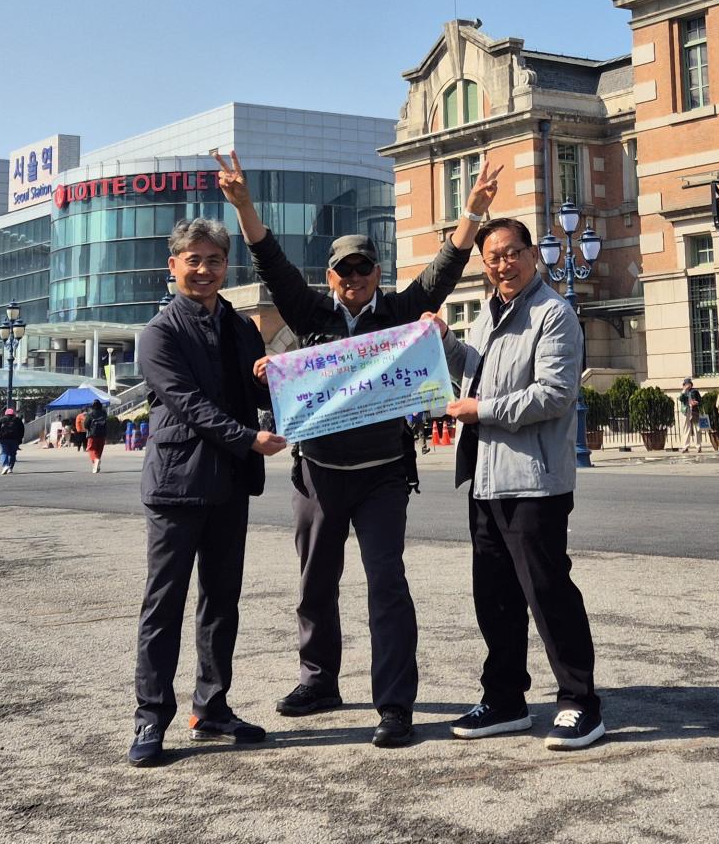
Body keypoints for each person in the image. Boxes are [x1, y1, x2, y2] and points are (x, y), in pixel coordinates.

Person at [214, 148, 497, 750]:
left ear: (377, 273)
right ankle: (319, 681)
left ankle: (394, 704)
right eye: (344, 270)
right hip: (317, 472)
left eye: (364, 268)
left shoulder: (398, 313)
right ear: (330, 276)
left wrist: (471, 214)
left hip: (383, 474)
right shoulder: (310, 311)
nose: (354, 278)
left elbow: (444, 271)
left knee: (387, 585)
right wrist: (243, 206)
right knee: (315, 583)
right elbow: (270, 261)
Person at [439, 217, 604, 752]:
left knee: (548, 593)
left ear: (533, 255)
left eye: (512, 253)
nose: (503, 264)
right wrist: (445, 341)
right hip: (486, 480)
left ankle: (580, 702)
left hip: (534, 482)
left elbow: (555, 393)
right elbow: (473, 372)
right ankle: (505, 698)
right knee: (495, 597)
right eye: (493, 257)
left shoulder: (553, 314)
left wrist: (482, 410)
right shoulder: (488, 314)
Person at [130, 217, 288, 768]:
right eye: (193, 260)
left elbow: (253, 392)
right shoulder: (158, 333)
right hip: (177, 484)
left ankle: (212, 708)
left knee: (221, 604)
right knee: (164, 605)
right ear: (173, 265)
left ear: (227, 266)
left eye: (214, 260)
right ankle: (151, 716)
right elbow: (187, 404)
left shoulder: (241, 326)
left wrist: (271, 378)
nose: (204, 270)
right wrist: (249, 439)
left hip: (230, 485)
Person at [0, 408, 24, 474]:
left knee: (4, 452)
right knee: (12, 454)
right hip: (14, 439)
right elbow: (22, 430)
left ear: (6, 413)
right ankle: (10, 468)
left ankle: (5, 465)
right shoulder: (18, 420)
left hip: (3, 438)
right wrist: (20, 438)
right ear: (13, 413)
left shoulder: (2, 419)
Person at [677, 378, 703, 453]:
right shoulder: (683, 392)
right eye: (686, 384)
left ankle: (698, 446)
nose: (688, 385)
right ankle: (685, 446)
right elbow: (681, 399)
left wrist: (697, 403)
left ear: (691, 384)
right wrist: (684, 390)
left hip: (694, 410)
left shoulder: (695, 391)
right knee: (686, 428)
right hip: (686, 411)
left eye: (689, 384)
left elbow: (700, 401)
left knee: (696, 428)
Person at [85, 399, 109, 473]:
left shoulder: (90, 414)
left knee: (91, 449)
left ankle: (95, 460)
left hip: (92, 435)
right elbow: (106, 424)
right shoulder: (104, 414)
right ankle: (96, 466)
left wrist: (89, 428)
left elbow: (86, 425)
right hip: (102, 435)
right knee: (99, 451)